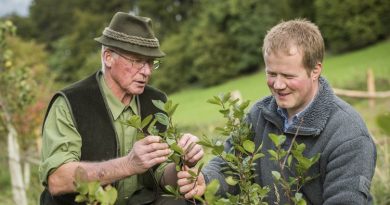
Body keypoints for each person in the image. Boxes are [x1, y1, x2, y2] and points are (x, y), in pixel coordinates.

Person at [177, 19, 377, 204]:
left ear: (315, 70)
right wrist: (206, 179)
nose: (278, 85)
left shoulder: (348, 135)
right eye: (271, 74)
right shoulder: (259, 114)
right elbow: (230, 163)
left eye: (289, 76)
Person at [39, 12, 203, 205]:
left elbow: (160, 172)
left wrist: (182, 166)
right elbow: (57, 180)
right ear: (108, 57)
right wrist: (128, 164)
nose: (147, 71)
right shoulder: (70, 102)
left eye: (151, 62)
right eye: (137, 61)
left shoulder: (156, 100)